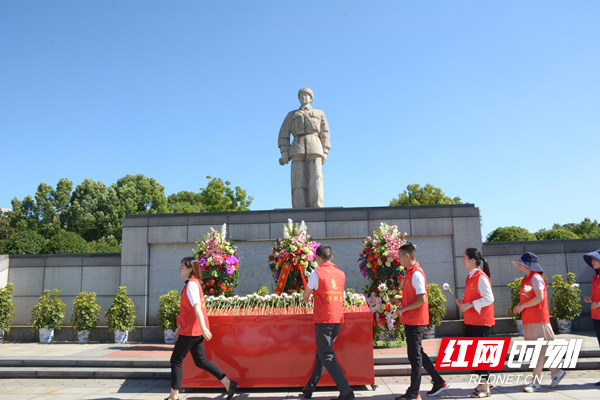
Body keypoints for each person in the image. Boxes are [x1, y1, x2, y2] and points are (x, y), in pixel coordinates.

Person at [166, 257, 238, 400]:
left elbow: (197, 307)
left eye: (182, 266)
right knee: (201, 361)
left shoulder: (192, 285)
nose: (179, 269)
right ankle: (228, 383)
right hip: (193, 330)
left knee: (175, 360)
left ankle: (174, 396)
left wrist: (204, 328)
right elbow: (190, 310)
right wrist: (180, 326)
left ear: (189, 269)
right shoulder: (192, 284)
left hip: (192, 331)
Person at [391, 244, 449, 399]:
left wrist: (403, 309)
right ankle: (438, 381)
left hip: (416, 320)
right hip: (411, 319)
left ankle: (413, 393)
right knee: (418, 354)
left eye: (400, 256)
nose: (398, 259)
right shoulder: (410, 273)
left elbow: (421, 299)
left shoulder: (416, 273)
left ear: (407, 256)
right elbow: (413, 297)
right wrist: (400, 300)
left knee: (414, 356)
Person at [301, 245, 354, 400]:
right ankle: (310, 388)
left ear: (318, 257)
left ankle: (347, 392)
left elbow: (306, 294)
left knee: (326, 356)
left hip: (324, 319)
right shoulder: (341, 274)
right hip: (337, 318)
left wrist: (307, 298)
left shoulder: (316, 273)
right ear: (331, 257)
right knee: (322, 355)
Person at [511, 252, 566, 392]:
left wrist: (521, 306)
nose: (519, 265)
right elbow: (530, 298)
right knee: (542, 352)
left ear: (528, 264)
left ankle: (535, 382)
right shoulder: (528, 279)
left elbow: (539, 298)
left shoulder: (535, 278)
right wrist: (520, 305)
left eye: (521, 263)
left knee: (539, 352)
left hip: (538, 320)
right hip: (531, 319)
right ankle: (556, 372)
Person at [278, 87, 330, 208]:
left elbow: (325, 133)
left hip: (315, 147)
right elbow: (283, 133)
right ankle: (299, 207)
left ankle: (317, 207)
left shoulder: (319, 113)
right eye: (301, 96)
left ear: (311, 98)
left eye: (307, 96)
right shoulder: (292, 114)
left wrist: (325, 150)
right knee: (298, 180)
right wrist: (284, 151)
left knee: (316, 178)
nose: (304, 97)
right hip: (297, 148)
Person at [456, 248, 495, 398]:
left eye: (465, 257)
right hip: (471, 321)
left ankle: (485, 388)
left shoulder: (481, 276)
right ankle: (485, 382)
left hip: (481, 322)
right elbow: (476, 298)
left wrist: (470, 304)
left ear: (473, 260)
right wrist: (464, 302)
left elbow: (489, 298)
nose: (463, 260)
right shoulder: (470, 276)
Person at [582, 248, 600, 385]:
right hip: (596, 316)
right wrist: (592, 299)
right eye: (592, 260)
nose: (592, 262)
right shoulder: (595, 276)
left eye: (594, 260)